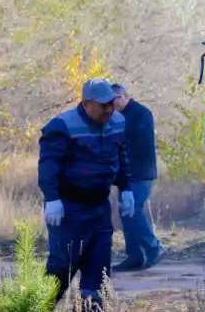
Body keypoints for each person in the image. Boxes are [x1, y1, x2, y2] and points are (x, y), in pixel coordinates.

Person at [38, 78, 134, 304]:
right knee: (62, 267)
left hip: (99, 208)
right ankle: (40, 306)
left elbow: (121, 157)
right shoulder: (62, 126)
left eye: (112, 103)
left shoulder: (118, 122)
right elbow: (48, 165)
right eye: (103, 105)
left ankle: (91, 307)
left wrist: (126, 188)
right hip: (69, 208)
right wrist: (52, 198)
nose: (109, 109)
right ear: (87, 103)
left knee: (98, 269)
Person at [111, 83, 164, 271]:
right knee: (126, 213)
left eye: (115, 99)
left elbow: (136, 143)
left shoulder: (141, 113)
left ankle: (153, 247)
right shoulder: (119, 116)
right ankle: (134, 256)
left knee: (133, 211)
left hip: (141, 172)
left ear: (123, 96)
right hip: (128, 173)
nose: (113, 104)